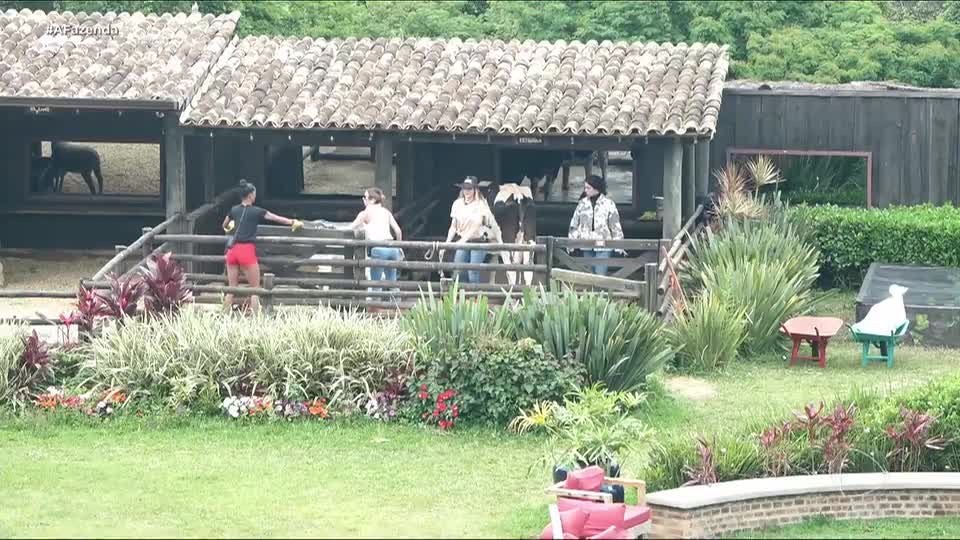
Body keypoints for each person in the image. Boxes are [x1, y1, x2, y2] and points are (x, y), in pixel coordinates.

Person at [222, 180, 303, 313]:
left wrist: (230, 226)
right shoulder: (257, 211)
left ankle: (223, 317)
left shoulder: (234, 210)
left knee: (231, 288)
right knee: (255, 289)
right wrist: (292, 222)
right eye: (254, 194)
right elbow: (275, 218)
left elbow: (224, 225)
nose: (255, 196)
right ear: (250, 195)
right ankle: (256, 321)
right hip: (246, 251)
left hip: (232, 251)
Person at [568, 174, 624, 276]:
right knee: (588, 274)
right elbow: (574, 224)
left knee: (600, 274)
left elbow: (615, 226)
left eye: (588, 188)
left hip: (603, 244)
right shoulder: (582, 204)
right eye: (585, 188)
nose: (585, 190)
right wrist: (571, 243)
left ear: (596, 188)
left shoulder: (609, 204)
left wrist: (619, 245)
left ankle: (600, 291)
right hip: (586, 243)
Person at [350, 187, 403, 292]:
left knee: (376, 282)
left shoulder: (365, 213)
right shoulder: (386, 212)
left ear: (372, 200)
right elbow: (398, 231)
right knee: (392, 281)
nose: (363, 200)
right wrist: (399, 247)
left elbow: (350, 228)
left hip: (378, 249)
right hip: (392, 248)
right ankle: (396, 305)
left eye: (365, 198)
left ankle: (375, 306)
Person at [444, 176, 496, 284]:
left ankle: (474, 298)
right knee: (459, 270)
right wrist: (447, 243)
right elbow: (453, 226)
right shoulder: (457, 204)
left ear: (475, 190)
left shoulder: (480, 205)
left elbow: (476, 225)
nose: (467, 191)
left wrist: (462, 240)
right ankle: (464, 297)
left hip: (478, 241)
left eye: (470, 188)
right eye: (465, 188)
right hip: (463, 240)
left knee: (473, 272)